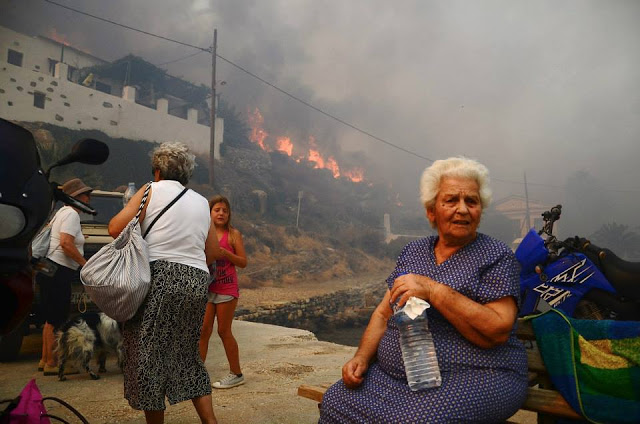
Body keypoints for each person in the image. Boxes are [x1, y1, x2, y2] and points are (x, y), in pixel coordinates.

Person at [319, 157, 528, 423]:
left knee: (419, 419)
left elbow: (499, 327)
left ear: (480, 211)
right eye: (451, 200)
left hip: (478, 374)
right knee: (337, 401)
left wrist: (433, 290)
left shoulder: (496, 256)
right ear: (432, 211)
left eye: (471, 202)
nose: (463, 209)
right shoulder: (414, 252)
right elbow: (384, 314)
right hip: (397, 377)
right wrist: (361, 357)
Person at [108, 142, 222, 424]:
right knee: (187, 354)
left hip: (160, 277)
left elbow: (114, 228)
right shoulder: (200, 201)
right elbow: (213, 253)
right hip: (196, 280)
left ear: (157, 171)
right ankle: (211, 422)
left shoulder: (150, 190)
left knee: (148, 355)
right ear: (186, 174)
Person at [38, 178, 91, 375]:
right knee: (58, 317)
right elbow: (66, 243)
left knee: (49, 319)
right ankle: (54, 362)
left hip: (47, 268)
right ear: (76, 198)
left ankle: (45, 359)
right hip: (58, 269)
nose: (88, 199)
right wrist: (85, 264)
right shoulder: (71, 215)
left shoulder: (60, 212)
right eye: (86, 195)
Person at [199, 195, 248, 389]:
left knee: (223, 330)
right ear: (209, 213)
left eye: (225, 210)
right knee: (203, 330)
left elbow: (243, 262)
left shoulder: (234, 234)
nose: (221, 213)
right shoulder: (203, 232)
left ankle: (236, 373)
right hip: (207, 288)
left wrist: (226, 253)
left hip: (227, 288)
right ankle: (198, 375)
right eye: (217, 210)